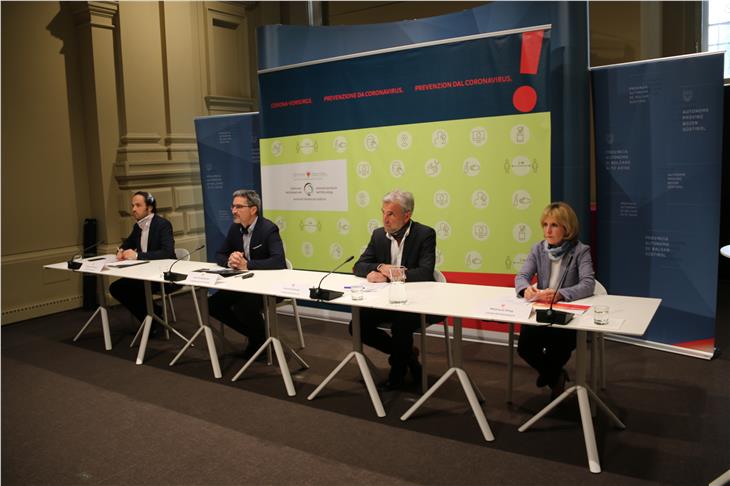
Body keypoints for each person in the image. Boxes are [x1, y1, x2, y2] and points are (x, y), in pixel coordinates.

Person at [352, 190, 437, 390]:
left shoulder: (425, 234)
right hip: (388, 300)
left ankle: (397, 374)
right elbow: (358, 266)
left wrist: (391, 274)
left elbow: (425, 273)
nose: (385, 219)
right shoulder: (378, 235)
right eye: (383, 212)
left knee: (401, 326)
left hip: (418, 302)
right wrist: (380, 267)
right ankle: (409, 357)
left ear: (407, 215)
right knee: (357, 325)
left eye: (391, 214)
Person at [515, 201, 595, 399]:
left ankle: (551, 376)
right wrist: (525, 288)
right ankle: (555, 375)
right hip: (541, 311)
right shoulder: (538, 249)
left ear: (567, 228)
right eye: (545, 225)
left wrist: (561, 294)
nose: (548, 231)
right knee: (525, 347)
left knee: (558, 348)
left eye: (554, 225)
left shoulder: (580, 251)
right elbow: (521, 276)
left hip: (566, 313)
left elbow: (588, 283)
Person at [208, 189, 286, 359]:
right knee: (212, 304)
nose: (234, 211)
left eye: (239, 207)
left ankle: (259, 340)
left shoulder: (268, 229)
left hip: (267, 286)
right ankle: (260, 336)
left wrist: (247, 265)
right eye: (233, 206)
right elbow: (219, 254)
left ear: (253, 209)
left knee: (244, 307)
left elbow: (279, 261)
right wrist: (230, 260)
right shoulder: (235, 229)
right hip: (242, 284)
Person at [110, 191, 175, 332]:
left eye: (138, 205)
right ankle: (151, 314)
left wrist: (137, 256)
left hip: (165, 275)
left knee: (134, 288)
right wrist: (120, 251)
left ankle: (151, 321)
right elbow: (126, 245)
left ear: (149, 208)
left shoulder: (163, 225)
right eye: (132, 205)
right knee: (116, 288)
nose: (133, 209)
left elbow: (167, 253)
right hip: (144, 274)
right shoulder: (137, 227)